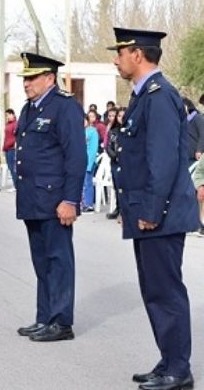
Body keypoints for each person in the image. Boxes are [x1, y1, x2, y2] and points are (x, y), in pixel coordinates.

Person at [109, 27, 199, 390]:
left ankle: (179, 370)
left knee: (165, 291)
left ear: (137, 54)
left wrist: (150, 210)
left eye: (120, 53)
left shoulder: (159, 96)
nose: (116, 61)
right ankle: (168, 361)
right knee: (154, 290)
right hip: (149, 211)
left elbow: (161, 161)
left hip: (160, 214)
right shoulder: (143, 95)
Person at [13, 52, 85, 343]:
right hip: (33, 199)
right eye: (25, 78)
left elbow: (76, 157)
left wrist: (70, 200)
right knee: (42, 262)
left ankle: (62, 321)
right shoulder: (29, 108)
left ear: (49, 78)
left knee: (59, 261)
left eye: (32, 78)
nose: (26, 83)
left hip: (55, 201)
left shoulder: (65, 107)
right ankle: (45, 317)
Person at [182, 97, 204, 168]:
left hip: (196, 157)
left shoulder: (198, 118)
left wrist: (199, 150)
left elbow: (203, 135)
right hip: (186, 157)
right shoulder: (182, 122)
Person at [82, 117, 98, 211]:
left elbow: (93, 149)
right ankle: (83, 203)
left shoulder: (92, 131)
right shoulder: (79, 131)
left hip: (89, 161)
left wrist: (90, 164)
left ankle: (88, 204)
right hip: (80, 161)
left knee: (88, 183)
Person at [2, 108, 18, 191]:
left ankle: (16, 186)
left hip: (12, 148)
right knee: (10, 167)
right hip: (7, 148)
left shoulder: (16, 124)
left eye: (8, 115)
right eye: (6, 115)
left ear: (13, 115)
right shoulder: (7, 124)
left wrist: (12, 144)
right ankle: (15, 185)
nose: (7, 117)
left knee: (13, 168)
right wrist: (3, 148)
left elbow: (16, 136)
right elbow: (6, 137)